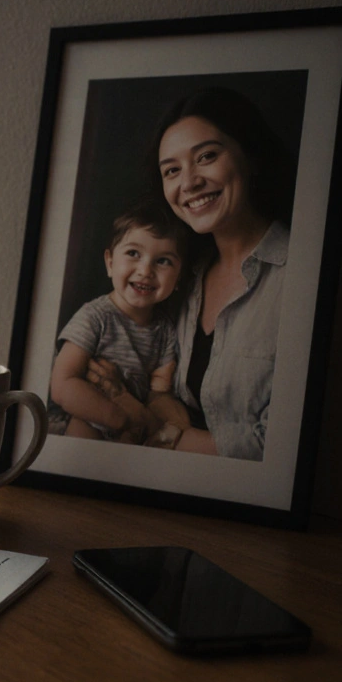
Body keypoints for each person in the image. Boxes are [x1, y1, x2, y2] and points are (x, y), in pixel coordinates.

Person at [105, 86, 295, 460]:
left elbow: (279, 448)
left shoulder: (299, 274)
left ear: (250, 155)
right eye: (172, 170)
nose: (188, 182)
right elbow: (159, 393)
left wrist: (164, 434)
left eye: (206, 156)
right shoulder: (178, 277)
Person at [48, 197, 189, 444]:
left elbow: (159, 392)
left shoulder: (165, 330)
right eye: (133, 253)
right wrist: (117, 418)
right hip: (90, 418)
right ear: (110, 263)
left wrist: (172, 425)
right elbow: (62, 385)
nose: (146, 270)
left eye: (163, 261)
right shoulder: (95, 316)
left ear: (178, 278)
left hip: (134, 430)